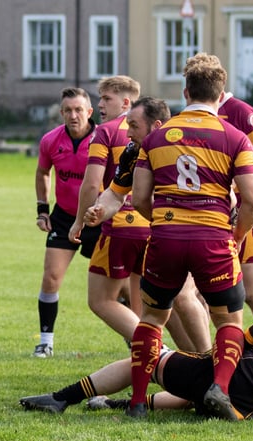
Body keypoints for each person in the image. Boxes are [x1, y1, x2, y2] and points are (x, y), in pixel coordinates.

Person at [127, 53, 253, 420]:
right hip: (213, 242)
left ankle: (138, 402)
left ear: (185, 91)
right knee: (229, 322)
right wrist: (234, 237)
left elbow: (139, 198)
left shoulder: (155, 139)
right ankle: (219, 387)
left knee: (152, 319)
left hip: (166, 239)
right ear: (221, 95)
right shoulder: (236, 138)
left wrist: (163, 222)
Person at [79, 96, 211, 352]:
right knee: (164, 306)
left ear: (157, 126)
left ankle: (213, 366)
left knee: (186, 298)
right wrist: (100, 210)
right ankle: (193, 368)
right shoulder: (132, 150)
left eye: (134, 126)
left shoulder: (185, 146)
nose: (127, 133)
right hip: (162, 235)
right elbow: (117, 192)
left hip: (195, 232)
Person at [20, 315, 253, 420]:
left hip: (234, 375)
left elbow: (239, 339)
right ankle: (111, 403)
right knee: (192, 396)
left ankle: (62, 398)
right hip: (243, 409)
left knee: (145, 361)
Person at [68, 76, 148, 345]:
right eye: (100, 98)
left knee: (100, 300)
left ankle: (157, 351)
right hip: (151, 226)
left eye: (107, 98)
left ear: (126, 101)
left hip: (120, 227)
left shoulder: (105, 132)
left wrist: (79, 221)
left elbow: (91, 184)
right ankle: (146, 358)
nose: (100, 104)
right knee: (139, 305)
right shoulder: (152, 129)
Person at [32, 87, 98, 357]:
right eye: (68, 110)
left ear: (89, 112)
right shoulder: (50, 140)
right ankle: (46, 341)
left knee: (118, 286)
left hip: (98, 218)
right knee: (51, 278)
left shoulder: (103, 139)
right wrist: (42, 210)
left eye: (78, 109)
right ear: (61, 113)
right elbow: (42, 172)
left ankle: (135, 340)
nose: (73, 115)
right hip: (64, 216)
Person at [218, 92, 253, 321]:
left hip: (243, 211)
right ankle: (210, 352)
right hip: (207, 212)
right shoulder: (194, 115)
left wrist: (239, 179)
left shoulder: (241, 112)